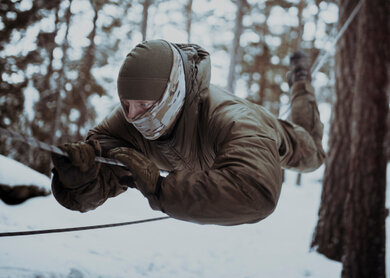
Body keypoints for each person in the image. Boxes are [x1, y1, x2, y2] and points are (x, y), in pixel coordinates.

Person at [51, 40, 325, 226]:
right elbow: (100, 181)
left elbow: (256, 195)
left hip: (273, 139)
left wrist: (160, 189)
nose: (133, 116)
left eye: (145, 105)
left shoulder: (238, 122)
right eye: (126, 104)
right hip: (220, 153)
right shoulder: (124, 124)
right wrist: (78, 182)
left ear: (172, 92)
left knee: (313, 152)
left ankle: (300, 81)